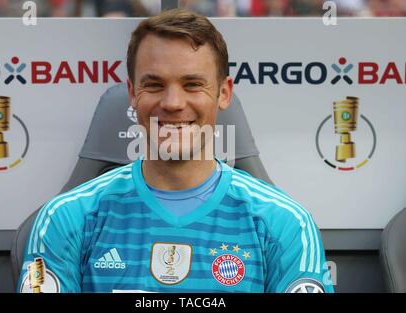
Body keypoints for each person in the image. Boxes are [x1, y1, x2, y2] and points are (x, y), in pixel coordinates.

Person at [18, 8, 334, 293]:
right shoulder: (63, 219)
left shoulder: (287, 224)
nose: (172, 103)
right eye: (154, 85)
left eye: (193, 85)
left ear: (223, 93)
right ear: (132, 93)